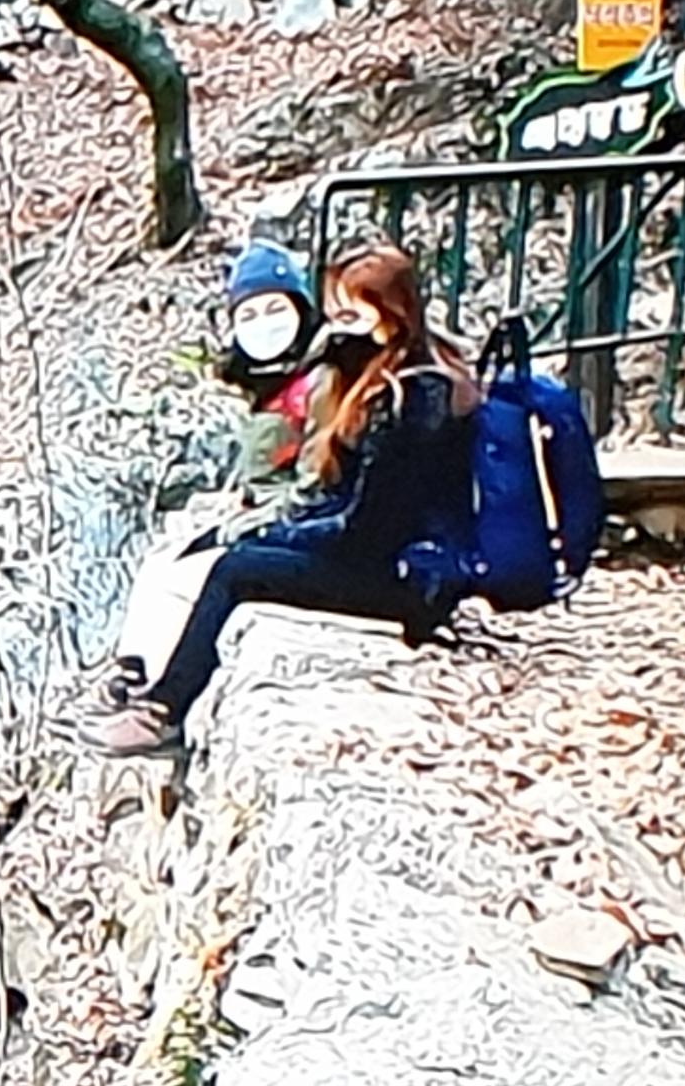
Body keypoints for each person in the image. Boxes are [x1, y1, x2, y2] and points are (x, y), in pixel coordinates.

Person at [94, 243, 476, 755]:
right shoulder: (385, 380)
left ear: (389, 316)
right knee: (236, 556)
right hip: (384, 557)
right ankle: (153, 695)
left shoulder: (416, 398)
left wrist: (283, 534)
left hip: (407, 579)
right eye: (334, 313)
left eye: (350, 315)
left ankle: (165, 711)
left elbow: (369, 530)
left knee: (236, 569)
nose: (337, 328)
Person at [103, 240, 335, 708]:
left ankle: (157, 687)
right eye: (249, 314)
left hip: (295, 522)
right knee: (162, 556)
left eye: (275, 308)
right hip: (266, 507)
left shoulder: (318, 382)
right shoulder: (273, 380)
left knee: (189, 574)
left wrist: (250, 519)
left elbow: (315, 481)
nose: (263, 324)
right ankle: (134, 663)